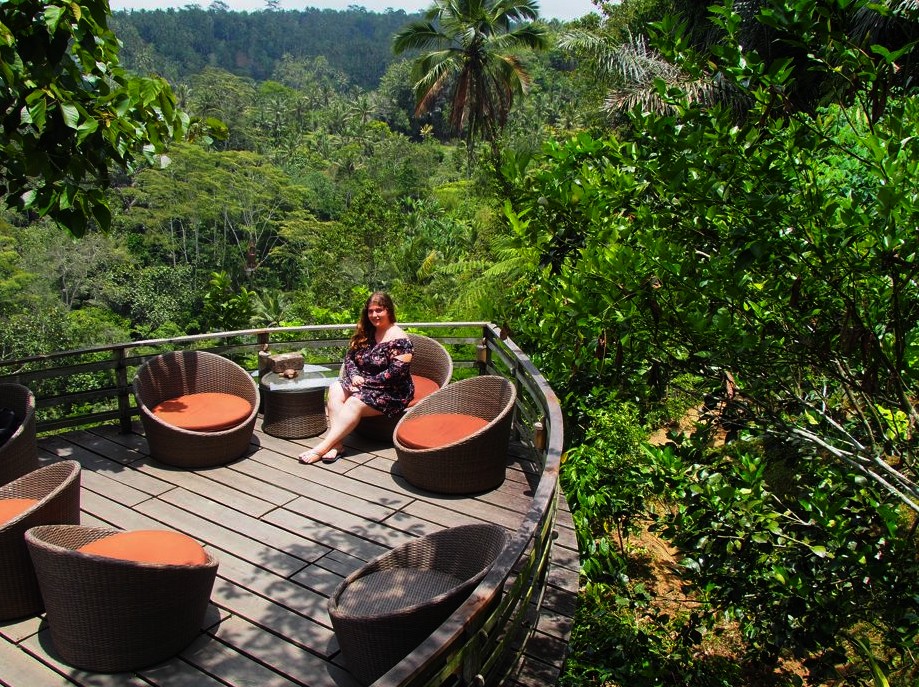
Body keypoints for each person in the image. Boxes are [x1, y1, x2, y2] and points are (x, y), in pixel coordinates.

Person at [298, 292, 414, 465]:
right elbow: (350, 358)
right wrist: (354, 376)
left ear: (389, 311)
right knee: (335, 388)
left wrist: (363, 384)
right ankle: (337, 445)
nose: (374, 315)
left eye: (379, 310)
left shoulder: (400, 340)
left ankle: (322, 447)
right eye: (370, 311)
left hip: (393, 391)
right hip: (362, 382)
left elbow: (394, 374)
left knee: (354, 401)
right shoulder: (367, 332)